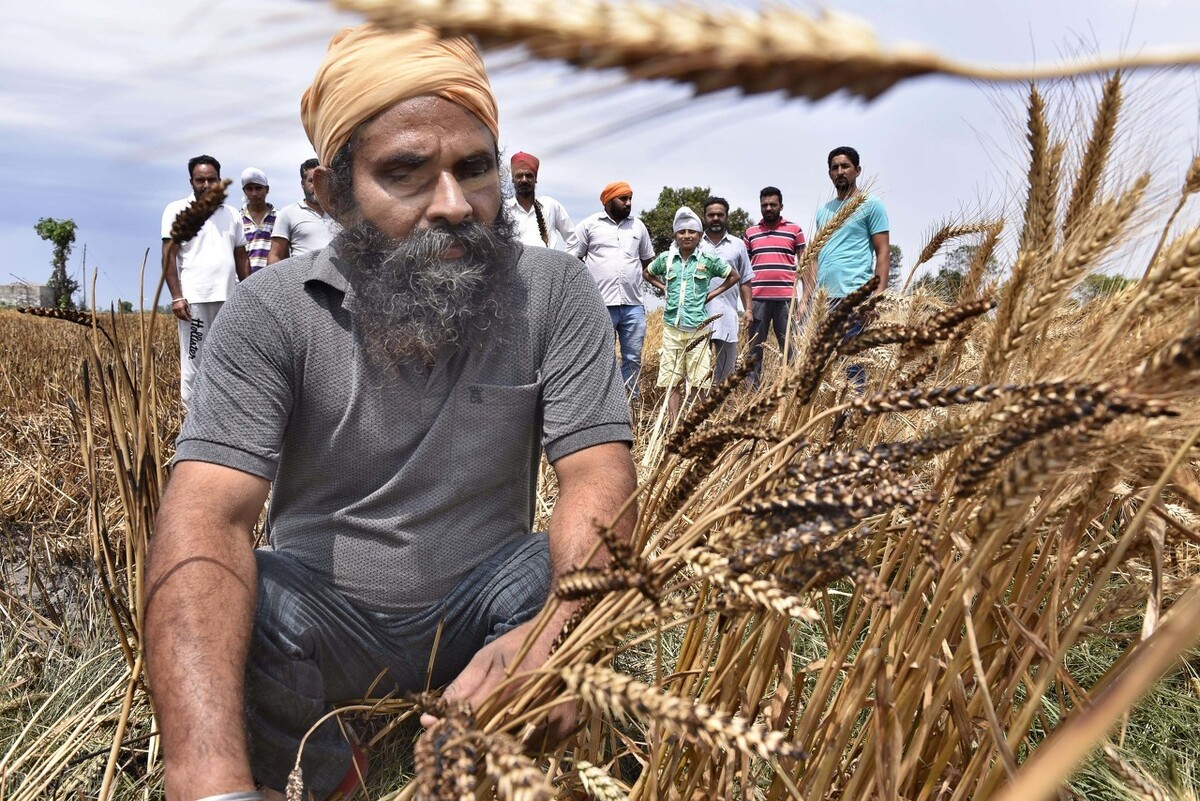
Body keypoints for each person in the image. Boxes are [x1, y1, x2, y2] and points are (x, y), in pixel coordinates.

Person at [144, 23, 638, 801]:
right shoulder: (272, 311)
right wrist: (207, 783)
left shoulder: (552, 290)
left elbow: (597, 478)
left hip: (486, 602)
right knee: (248, 601)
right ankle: (326, 765)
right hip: (328, 624)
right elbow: (208, 511)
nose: (453, 204)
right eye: (406, 172)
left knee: (568, 580)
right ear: (333, 193)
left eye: (475, 169)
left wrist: (553, 641)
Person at [161, 154, 250, 405]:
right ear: (191, 181)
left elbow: (241, 256)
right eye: (200, 180)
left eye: (212, 179)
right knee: (194, 359)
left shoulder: (232, 214)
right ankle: (192, 417)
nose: (206, 185)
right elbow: (169, 257)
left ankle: (225, 411)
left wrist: (249, 293)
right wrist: (177, 297)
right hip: (195, 300)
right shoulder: (176, 210)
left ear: (220, 181)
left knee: (229, 357)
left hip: (229, 299)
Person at [644, 206, 738, 423]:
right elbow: (647, 273)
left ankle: (695, 423)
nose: (686, 236)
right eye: (681, 231)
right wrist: (663, 287)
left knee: (698, 380)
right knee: (672, 379)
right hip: (672, 328)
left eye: (692, 232)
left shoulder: (707, 259)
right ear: (676, 235)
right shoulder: (666, 259)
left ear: (699, 235)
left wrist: (711, 294)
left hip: (698, 329)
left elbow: (733, 276)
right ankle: (673, 424)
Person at [814, 146, 890, 388]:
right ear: (829, 173)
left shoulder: (872, 205)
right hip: (823, 301)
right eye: (835, 167)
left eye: (845, 166)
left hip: (855, 297)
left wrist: (875, 299)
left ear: (857, 170)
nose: (840, 171)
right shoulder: (823, 212)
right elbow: (818, 255)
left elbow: (883, 252)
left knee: (852, 367)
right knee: (821, 368)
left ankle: (849, 422)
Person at [571, 182, 655, 397]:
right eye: (623, 199)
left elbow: (649, 261)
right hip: (600, 305)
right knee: (601, 357)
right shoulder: (589, 225)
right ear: (608, 201)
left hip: (633, 305)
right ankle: (605, 402)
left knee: (633, 357)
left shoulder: (638, 226)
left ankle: (629, 401)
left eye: (630, 199)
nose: (628, 203)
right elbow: (573, 259)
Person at [742, 186, 806, 387]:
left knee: (790, 349)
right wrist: (747, 306)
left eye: (772, 204)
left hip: (786, 298)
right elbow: (744, 271)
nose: (768, 208)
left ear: (781, 206)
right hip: (758, 298)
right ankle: (752, 394)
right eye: (764, 205)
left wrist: (805, 300)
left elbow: (806, 264)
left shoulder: (795, 230)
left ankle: (792, 390)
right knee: (754, 349)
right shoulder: (750, 233)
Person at [698, 197, 753, 386]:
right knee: (697, 372)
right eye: (711, 215)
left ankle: (722, 412)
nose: (715, 218)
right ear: (704, 217)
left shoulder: (738, 245)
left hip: (727, 316)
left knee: (725, 375)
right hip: (696, 317)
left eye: (719, 215)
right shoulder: (695, 243)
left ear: (726, 217)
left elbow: (745, 278)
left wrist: (748, 310)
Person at [267, 158, 338, 264]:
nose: (317, 185)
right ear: (302, 184)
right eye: (311, 180)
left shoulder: (341, 213)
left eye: (321, 180)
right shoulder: (288, 213)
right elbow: (276, 256)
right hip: (301, 279)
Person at [505, 151, 578, 251]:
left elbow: (573, 241)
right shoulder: (503, 209)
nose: (524, 180)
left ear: (535, 179)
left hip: (548, 265)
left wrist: (563, 265)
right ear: (513, 179)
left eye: (529, 175)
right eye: (519, 175)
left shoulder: (550, 206)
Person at [239, 167, 276, 274]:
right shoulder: (237, 219)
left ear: (267, 189)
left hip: (271, 280)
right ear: (244, 191)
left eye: (258, 188)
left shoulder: (279, 217)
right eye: (249, 189)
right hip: (244, 282)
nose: (254, 193)